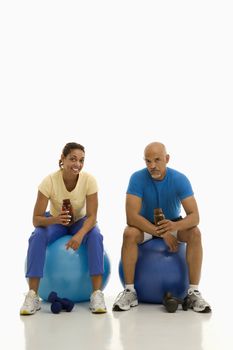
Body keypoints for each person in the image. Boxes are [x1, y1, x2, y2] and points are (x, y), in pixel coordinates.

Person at [113, 142, 211, 313]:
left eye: (157, 160)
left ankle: (193, 292)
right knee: (129, 233)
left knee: (195, 233)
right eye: (148, 161)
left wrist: (173, 227)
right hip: (146, 225)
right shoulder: (137, 178)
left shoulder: (180, 179)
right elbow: (131, 217)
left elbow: (195, 216)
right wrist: (162, 232)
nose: (152, 166)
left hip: (172, 223)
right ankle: (130, 291)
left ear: (167, 159)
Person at [20, 142, 107, 315]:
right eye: (73, 159)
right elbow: (36, 219)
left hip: (80, 221)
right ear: (62, 158)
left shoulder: (89, 180)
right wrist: (55, 219)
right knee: (37, 235)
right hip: (55, 221)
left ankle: (96, 294)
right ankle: (32, 296)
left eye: (81, 160)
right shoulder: (49, 181)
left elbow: (92, 217)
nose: (77, 164)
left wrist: (81, 234)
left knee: (95, 235)